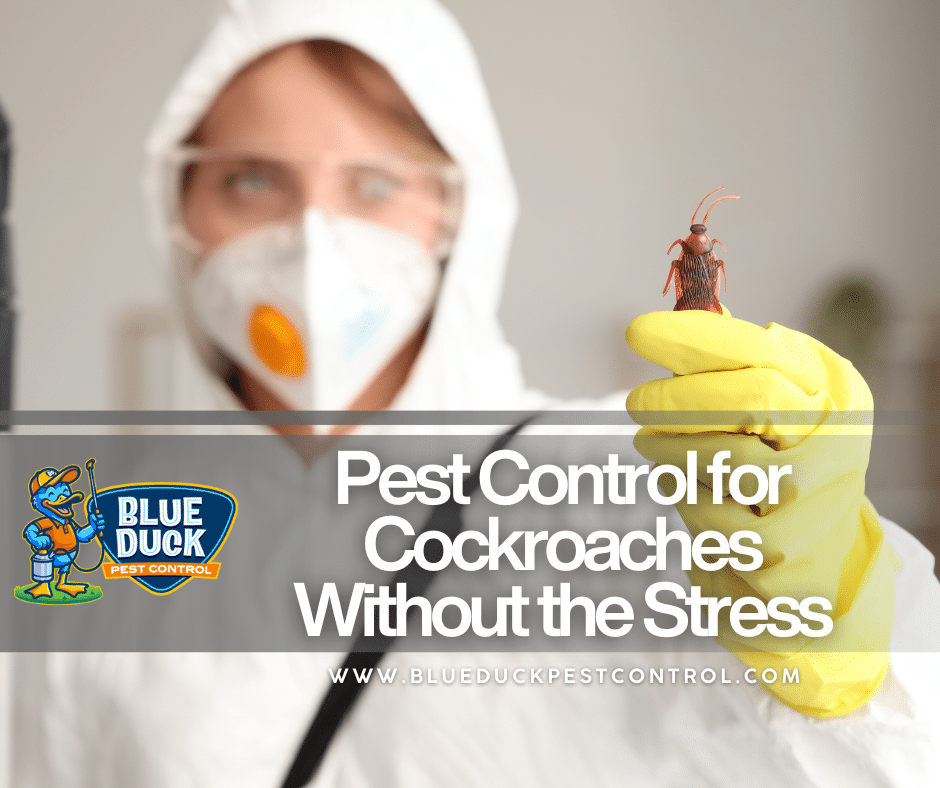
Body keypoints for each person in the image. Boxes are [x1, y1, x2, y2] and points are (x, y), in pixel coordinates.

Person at [9, 0, 940, 785]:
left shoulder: (632, 484)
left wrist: (849, 646)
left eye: (375, 182)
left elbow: (892, 760)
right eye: (250, 179)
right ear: (179, 210)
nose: (312, 242)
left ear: (461, 212)